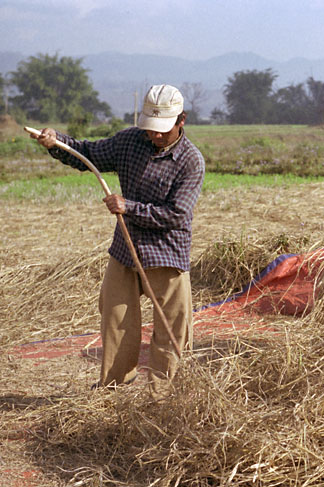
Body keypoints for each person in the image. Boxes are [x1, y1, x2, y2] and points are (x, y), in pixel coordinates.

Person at [30, 84, 205, 399]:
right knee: (116, 319)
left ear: (182, 120)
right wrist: (57, 143)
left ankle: (162, 396)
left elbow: (176, 215)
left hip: (167, 254)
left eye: (163, 130)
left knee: (171, 327)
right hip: (125, 250)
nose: (156, 136)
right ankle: (112, 389)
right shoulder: (129, 142)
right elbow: (89, 154)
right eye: (151, 129)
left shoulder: (191, 161)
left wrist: (129, 207)